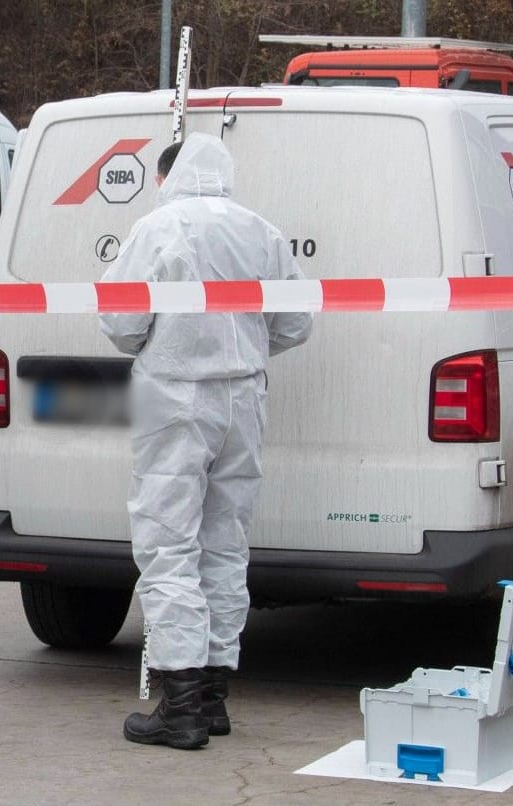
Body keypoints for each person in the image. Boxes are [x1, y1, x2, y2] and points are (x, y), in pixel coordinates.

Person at [99, 134, 312, 751]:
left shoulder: (158, 226)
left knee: (169, 546)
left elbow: (119, 320)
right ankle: (214, 695)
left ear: (169, 176)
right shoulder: (262, 231)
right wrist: (242, 346)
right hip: (243, 398)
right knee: (225, 543)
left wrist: (164, 346)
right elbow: (296, 321)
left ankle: (181, 705)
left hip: (172, 396)